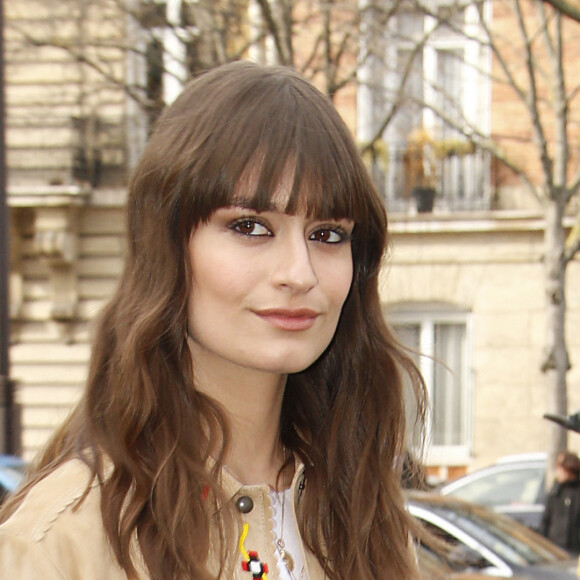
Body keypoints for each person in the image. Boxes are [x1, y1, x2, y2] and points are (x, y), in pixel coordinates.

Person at [0, 61, 428, 579]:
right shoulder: (61, 545)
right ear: (168, 247)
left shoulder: (362, 518)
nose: (299, 273)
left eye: (328, 234)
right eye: (250, 226)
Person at [540, 451, 580, 555]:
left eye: (560, 467)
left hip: (574, 549)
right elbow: (546, 520)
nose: (557, 471)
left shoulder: (576, 491)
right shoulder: (555, 491)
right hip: (555, 549)